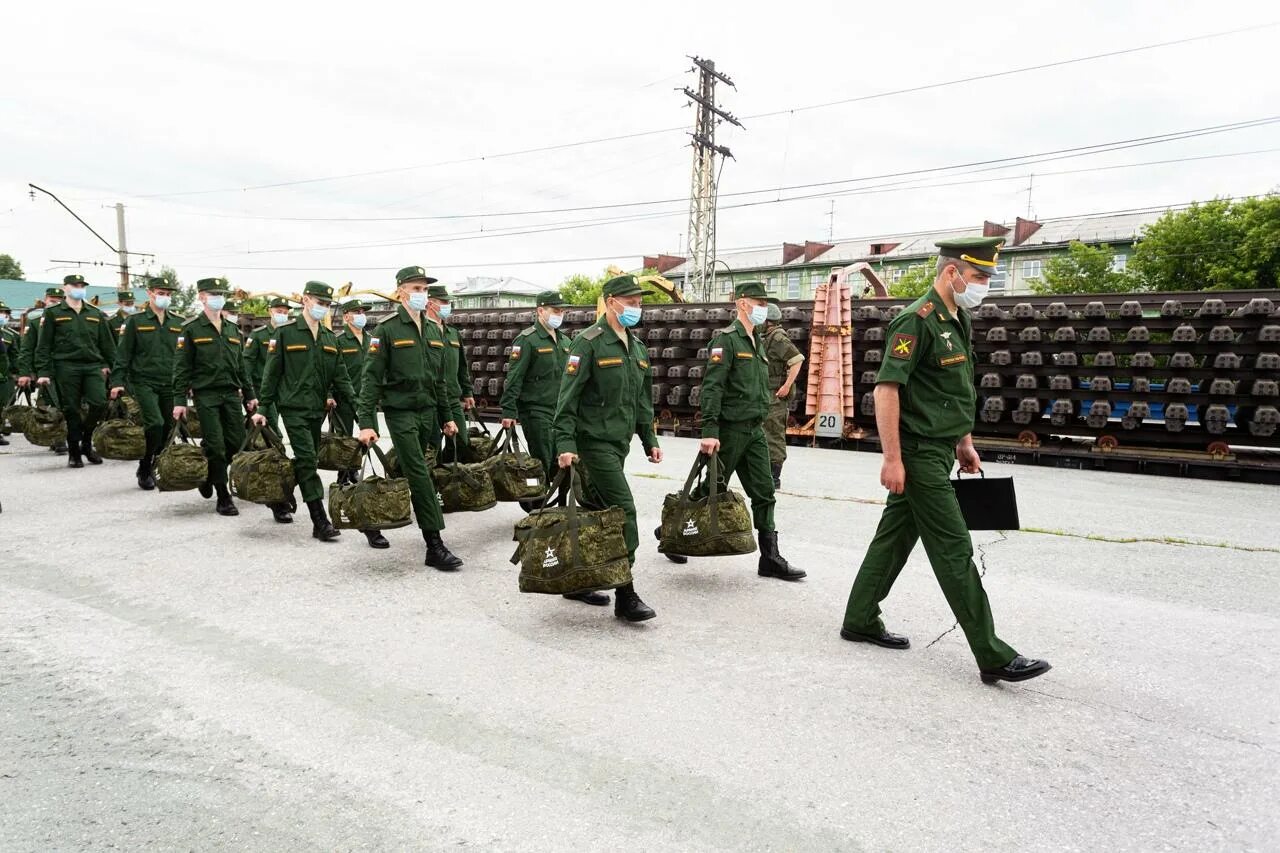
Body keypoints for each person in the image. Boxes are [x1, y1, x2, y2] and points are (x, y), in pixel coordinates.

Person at [839, 236, 1051, 685]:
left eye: (988, 278)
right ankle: (992, 654)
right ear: (951, 273)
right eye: (978, 277)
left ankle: (859, 618)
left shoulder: (959, 320)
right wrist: (892, 459)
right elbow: (886, 391)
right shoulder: (914, 321)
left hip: (940, 448)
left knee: (893, 540)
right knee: (954, 548)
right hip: (916, 455)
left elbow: (956, 389)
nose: (983, 286)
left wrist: (964, 440)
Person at [553, 274, 664, 621]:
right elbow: (566, 400)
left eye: (639, 302)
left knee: (596, 513)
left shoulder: (638, 347)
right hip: (593, 443)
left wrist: (650, 439)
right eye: (631, 302)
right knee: (624, 509)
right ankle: (625, 593)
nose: (636, 308)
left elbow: (642, 402)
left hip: (619, 443)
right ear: (611, 301)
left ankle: (576, 580)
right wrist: (565, 444)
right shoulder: (587, 343)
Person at [686, 281, 805, 581]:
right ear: (741, 303)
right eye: (758, 302)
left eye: (765, 304)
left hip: (755, 429)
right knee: (713, 489)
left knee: (765, 492)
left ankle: (770, 557)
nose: (763, 309)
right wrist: (710, 430)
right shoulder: (726, 341)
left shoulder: (758, 341)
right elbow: (712, 387)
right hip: (730, 430)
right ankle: (673, 529)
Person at [356, 266, 464, 570]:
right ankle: (435, 546)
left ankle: (371, 516)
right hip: (400, 412)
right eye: (416, 289)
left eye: (425, 289)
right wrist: (366, 422)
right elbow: (370, 379)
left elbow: (439, 379)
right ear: (400, 291)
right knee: (420, 474)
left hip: (428, 412)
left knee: (404, 467)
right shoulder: (387, 330)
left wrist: (447, 416)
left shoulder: (433, 330)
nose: (422, 294)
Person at [254, 281, 373, 543]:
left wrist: (362, 413)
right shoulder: (286, 333)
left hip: (316, 409)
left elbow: (341, 378)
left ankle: (278, 494)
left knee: (306, 460)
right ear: (306, 300)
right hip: (293, 408)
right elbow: (271, 373)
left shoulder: (330, 338)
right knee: (308, 459)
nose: (323, 308)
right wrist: (263, 407)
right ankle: (320, 520)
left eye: (327, 304)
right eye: (320, 302)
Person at [171, 277, 258, 516]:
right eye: (213, 294)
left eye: (221, 294)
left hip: (231, 394)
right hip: (206, 394)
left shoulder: (232, 329)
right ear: (201, 297)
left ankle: (210, 473)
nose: (218, 298)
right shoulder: (190, 329)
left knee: (236, 442)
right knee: (217, 446)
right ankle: (223, 495)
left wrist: (250, 395)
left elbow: (241, 367)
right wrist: (179, 400)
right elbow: (181, 367)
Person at [34, 274, 116, 468]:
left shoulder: (95, 313)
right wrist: (43, 371)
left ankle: (86, 443)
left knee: (99, 403)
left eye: (81, 285)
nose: (79, 287)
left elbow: (107, 344)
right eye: (75, 285)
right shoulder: (53, 313)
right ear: (65, 288)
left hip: (92, 366)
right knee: (71, 409)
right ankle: (74, 450)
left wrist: (114, 368)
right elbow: (43, 345)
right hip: (65, 366)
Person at [109, 277, 181, 489]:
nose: (165, 297)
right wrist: (117, 381)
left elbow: (185, 357)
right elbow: (123, 354)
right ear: (150, 293)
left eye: (168, 294)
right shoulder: (135, 321)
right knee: (155, 423)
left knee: (168, 426)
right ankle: (145, 464)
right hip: (143, 381)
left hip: (170, 381)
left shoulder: (178, 322)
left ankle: (159, 464)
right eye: (161, 293)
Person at [500, 290, 573, 488]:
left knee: (563, 460)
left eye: (562, 312)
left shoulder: (566, 342)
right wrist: (509, 411)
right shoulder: (527, 340)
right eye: (556, 311)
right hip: (536, 410)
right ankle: (538, 505)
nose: (560, 315)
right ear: (540, 310)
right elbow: (514, 377)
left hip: (560, 411)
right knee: (543, 459)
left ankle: (560, 505)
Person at [15, 288, 68, 454]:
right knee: (53, 405)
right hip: (47, 370)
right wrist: (24, 372)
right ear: (45, 300)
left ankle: (67, 436)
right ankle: (59, 439)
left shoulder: (69, 320)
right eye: (52, 299)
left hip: (69, 368)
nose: (56, 302)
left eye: (59, 299)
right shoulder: (36, 322)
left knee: (72, 404)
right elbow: (27, 349)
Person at [423, 285, 474, 457]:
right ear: (430, 304)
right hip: (430, 399)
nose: (448, 306)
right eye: (444, 302)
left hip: (452, 397)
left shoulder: (453, 333)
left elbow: (462, 366)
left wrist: (467, 392)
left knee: (461, 442)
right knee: (432, 447)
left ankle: (447, 476)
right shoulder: (422, 330)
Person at [761, 296, 805, 488]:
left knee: (774, 434)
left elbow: (797, 359)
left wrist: (786, 386)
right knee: (766, 432)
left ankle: (774, 478)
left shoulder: (778, 337)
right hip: (767, 393)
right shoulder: (768, 336)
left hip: (775, 396)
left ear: (767, 321)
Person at [333, 297, 372, 486]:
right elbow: (330, 370)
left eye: (363, 312)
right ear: (347, 316)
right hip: (345, 398)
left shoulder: (372, 340)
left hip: (367, 399)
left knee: (369, 436)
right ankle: (342, 474)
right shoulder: (339, 340)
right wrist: (329, 395)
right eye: (357, 312)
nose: (361, 316)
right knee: (344, 438)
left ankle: (353, 468)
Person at [243, 297, 290, 437]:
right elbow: (247, 364)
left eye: (285, 312)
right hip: (263, 390)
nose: (282, 314)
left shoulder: (290, 334)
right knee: (273, 428)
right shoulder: (258, 335)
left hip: (284, 390)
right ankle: (276, 453)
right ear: (270, 311)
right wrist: (248, 392)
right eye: (279, 311)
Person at [0, 301, 16, 446]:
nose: (2, 315)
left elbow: (14, 356)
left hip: (4, 375)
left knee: (2, 403)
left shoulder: (9, 335)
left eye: (5, 313)